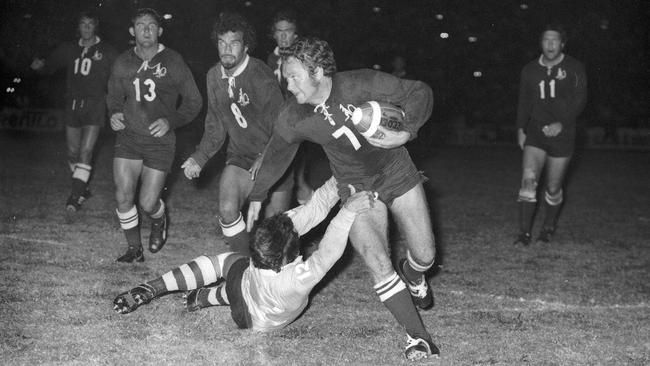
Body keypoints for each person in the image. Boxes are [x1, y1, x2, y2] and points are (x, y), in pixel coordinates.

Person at [246, 37, 439, 361]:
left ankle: (415, 273)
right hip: (353, 185)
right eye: (285, 76)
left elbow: (420, 92)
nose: (288, 84)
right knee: (377, 261)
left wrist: (408, 130)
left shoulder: (360, 83)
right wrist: (257, 194)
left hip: (395, 171)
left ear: (318, 72)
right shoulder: (293, 116)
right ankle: (419, 338)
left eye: (294, 76)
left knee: (425, 255)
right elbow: (278, 152)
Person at [113, 177, 375, 333]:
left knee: (226, 265)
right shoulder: (295, 278)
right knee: (240, 284)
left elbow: (313, 211)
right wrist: (348, 209)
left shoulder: (265, 251)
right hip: (259, 320)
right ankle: (205, 297)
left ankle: (153, 288)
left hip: (249, 301)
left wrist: (339, 180)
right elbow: (328, 250)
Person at [181, 12, 293, 256]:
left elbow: (283, 128)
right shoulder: (213, 76)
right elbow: (215, 124)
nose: (227, 49)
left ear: (246, 46)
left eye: (234, 43)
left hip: (276, 157)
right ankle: (242, 269)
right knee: (228, 209)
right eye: (222, 43)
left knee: (275, 237)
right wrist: (199, 158)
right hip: (241, 156)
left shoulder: (260, 76)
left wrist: (266, 157)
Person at [107, 8, 202, 262]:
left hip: (159, 143)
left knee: (148, 203)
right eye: (140, 25)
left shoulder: (173, 61)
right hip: (128, 138)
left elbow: (194, 101)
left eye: (151, 25)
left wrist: (171, 121)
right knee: (123, 195)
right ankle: (134, 249)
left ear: (160, 31)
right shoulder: (122, 62)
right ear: (132, 31)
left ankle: (159, 220)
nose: (146, 30)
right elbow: (114, 97)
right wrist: (114, 113)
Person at [31, 10, 117, 212]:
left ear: (95, 26)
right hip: (72, 105)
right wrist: (39, 67)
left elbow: (120, 74)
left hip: (95, 106)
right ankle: (82, 185)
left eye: (90, 24)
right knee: (72, 153)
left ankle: (75, 196)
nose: (86, 28)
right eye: (83, 24)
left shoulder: (108, 50)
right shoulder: (68, 49)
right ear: (78, 27)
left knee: (86, 151)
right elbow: (49, 66)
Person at [514, 24, 587, 245]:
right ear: (541, 43)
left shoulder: (574, 67)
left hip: (563, 134)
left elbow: (580, 100)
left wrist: (561, 124)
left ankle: (548, 227)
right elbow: (524, 101)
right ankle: (525, 233)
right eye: (546, 40)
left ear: (562, 44)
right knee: (528, 180)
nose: (550, 44)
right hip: (536, 132)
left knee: (553, 187)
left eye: (555, 40)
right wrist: (520, 128)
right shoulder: (529, 70)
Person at [267, 10, 314, 205]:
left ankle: (302, 186)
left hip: (298, 114)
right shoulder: (270, 59)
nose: (284, 35)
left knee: (295, 152)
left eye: (288, 31)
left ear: (296, 34)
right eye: (279, 31)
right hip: (277, 117)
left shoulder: (304, 57)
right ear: (274, 34)